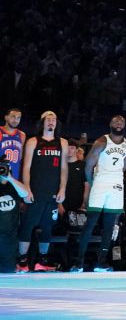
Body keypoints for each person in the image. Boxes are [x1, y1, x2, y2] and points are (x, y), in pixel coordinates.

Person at [73, 115, 126, 272]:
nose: (119, 123)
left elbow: (124, 166)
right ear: (110, 124)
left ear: (125, 125)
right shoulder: (101, 141)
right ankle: (79, 261)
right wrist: (93, 183)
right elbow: (88, 166)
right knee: (90, 223)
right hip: (100, 183)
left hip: (116, 186)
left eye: (122, 121)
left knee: (109, 226)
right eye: (115, 121)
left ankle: (102, 262)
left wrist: (115, 180)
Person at [18, 111, 68, 272]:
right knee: (28, 225)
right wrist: (26, 188)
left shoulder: (63, 143)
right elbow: (26, 167)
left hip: (52, 192)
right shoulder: (33, 141)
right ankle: (22, 261)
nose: (51, 122)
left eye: (54, 119)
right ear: (42, 122)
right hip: (35, 191)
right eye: (48, 119)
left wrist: (62, 189)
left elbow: (64, 168)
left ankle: (42, 260)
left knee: (47, 227)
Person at [0, 155, 30, 273]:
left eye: (4, 167)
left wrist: (10, 178)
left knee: (7, 270)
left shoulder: (14, 186)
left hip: (9, 236)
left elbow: (24, 194)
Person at [1, 108, 26, 177]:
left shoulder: (22, 135)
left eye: (18, 118)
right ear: (6, 117)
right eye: (13, 116)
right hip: (1, 174)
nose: (15, 120)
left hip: (14, 176)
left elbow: (20, 157)